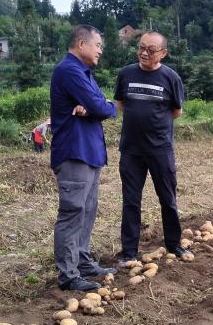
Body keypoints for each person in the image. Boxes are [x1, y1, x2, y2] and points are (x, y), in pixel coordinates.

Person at [114, 31, 193, 264]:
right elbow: (119, 104)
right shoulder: (126, 74)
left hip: (160, 149)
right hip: (131, 149)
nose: (144, 53)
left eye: (150, 49)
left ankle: (173, 244)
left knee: (167, 198)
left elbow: (176, 111)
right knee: (130, 200)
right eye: (141, 48)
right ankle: (129, 251)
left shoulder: (171, 78)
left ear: (163, 53)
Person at [50, 26, 119, 291]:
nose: (101, 50)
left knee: (87, 210)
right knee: (72, 211)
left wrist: (93, 106)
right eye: (98, 45)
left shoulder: (82, 73)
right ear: (82, 44)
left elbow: (95, 105)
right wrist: (102, 106)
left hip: (89, 152)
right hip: (74, 151)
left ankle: (82, 260)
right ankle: (68, 275)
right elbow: (102, 107)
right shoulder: (69, 71)